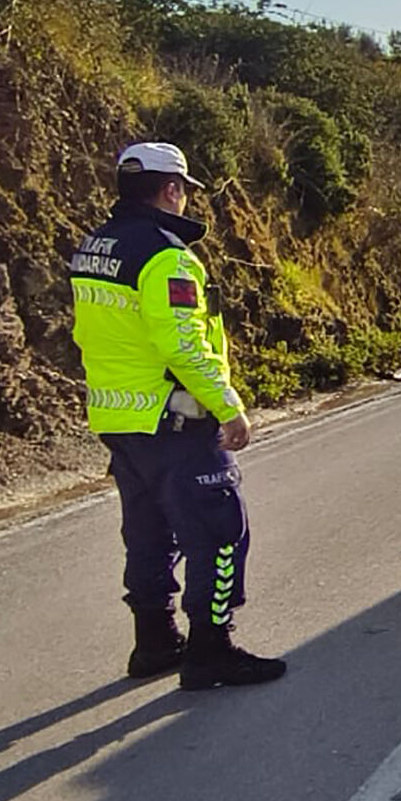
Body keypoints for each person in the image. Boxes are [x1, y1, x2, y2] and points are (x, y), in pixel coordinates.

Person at [68, 141, 288, 689]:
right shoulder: (166, 256)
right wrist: (228, 406)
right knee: (217, 535)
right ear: (172, 190)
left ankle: (156, 641)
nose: (186, 199)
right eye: (185, 190)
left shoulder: (95, 247)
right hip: (176, 421)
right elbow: (183, 344)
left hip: (121, 421)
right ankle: (212, 649)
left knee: (148, 536)